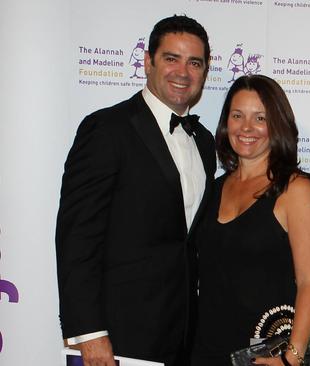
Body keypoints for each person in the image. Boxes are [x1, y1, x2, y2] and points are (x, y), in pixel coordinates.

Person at [55, 15, 215, 366]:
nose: (182, 72)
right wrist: (89, 333)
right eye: (171, 58)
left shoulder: (204, 142)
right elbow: (77, 239)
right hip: (118, 336)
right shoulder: (107, 130)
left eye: (194, 63)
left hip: (184, 337)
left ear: (204, 72)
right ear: (148, 62)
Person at [190, 75, 310, 366]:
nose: (246, 128)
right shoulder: (213, 188)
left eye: (259, 117)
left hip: (268, 355)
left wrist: (292, 357)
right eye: (237, 116)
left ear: (277, 124)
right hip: (208, 349)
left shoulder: (295, 191)